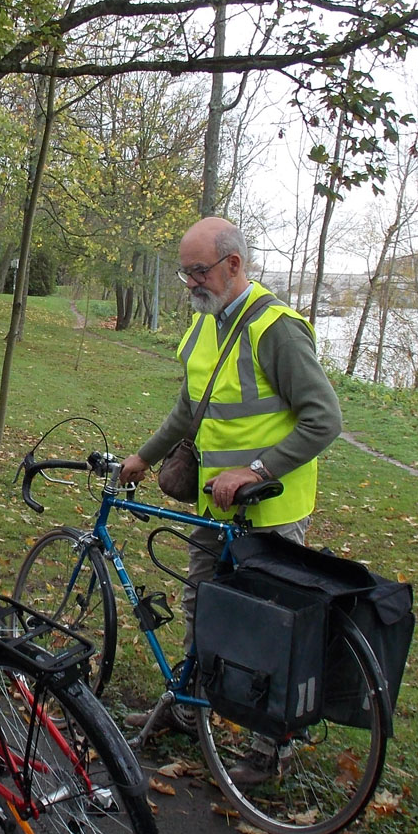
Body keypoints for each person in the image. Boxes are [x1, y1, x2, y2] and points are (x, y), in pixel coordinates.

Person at [119, 216, 342, 784]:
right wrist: (145, 456)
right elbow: (188, 409)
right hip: (216, 509)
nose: (190, 282)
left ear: (234, 265)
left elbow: (324, 420)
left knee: (268, 628)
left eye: (199, 271)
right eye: (184, 272)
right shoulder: (205, 323)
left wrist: (258, 469)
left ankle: (272, 749)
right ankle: (190, 710)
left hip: (271, 510)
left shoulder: (277, 329)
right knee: (201, 604)